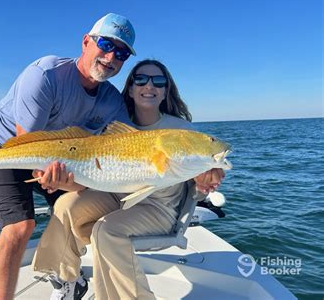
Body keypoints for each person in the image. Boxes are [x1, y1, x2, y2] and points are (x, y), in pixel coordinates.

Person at [0, 13, 137, 300]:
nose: (111, 57)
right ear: (86, 42)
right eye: (106, 44)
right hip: (1, 146)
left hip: (61, 159)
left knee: (80, 209)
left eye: (121, 53)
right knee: (20, 225)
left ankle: (68, 278)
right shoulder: (45, 74)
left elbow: (127, 148)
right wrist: (61, 182)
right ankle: (4, 205)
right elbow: (28, 149)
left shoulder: (112, 101)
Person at [32, 59, 225, 300]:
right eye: (141, 79)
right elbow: (90, 179)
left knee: (106, 231)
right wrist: (58, 181)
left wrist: (210, 174)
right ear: (131, 89)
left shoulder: (181, 131)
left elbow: (210, 164)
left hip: (159, 207)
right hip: (117, 197)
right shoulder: (115, 125)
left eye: (159, 81)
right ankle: (67, 281)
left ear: (166, 91)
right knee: (65, 205)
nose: (149, 85)